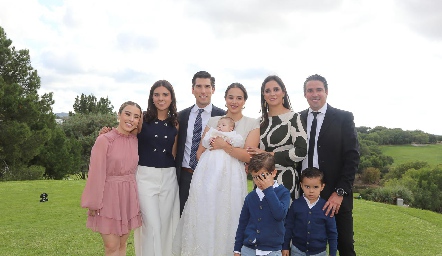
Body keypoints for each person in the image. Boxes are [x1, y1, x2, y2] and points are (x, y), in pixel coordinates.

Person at [173, 82, 260, 256]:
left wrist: (223, 147)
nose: (234, 101)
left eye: (239, 98)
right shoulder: (213, 121)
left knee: (229, 218)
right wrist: (208, 168)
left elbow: (249, 156)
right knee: (205, 216)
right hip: (208, 180)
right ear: (225, 99)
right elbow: (199, 152)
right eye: (230, 97)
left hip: (233, 181)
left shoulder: (252, 123)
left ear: (245, 101)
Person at [297, 74, 360, 256]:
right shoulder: (297, 119)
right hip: (305, 194)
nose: (314, 94)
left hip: (335, 195)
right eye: (310, 90)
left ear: (326, 92)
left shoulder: (343, 118)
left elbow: (352, 157)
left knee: (345, 246)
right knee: (305, 246)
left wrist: (340, 192)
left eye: (319, 90)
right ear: (305, 94)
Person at [81, 101, 143, 256]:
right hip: (108, 197)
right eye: (127, 114)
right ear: (119, 115)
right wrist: (94, 202)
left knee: (122, 245)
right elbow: (96, 172)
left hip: (128, 196)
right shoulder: (104, 140)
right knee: (111, 246)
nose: (131, 119)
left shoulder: (136, 142)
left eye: (136, 116)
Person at [134, 80, 180, 255]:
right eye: (157, 94)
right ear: (151, 97)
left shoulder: (175, 123)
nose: (161, 98)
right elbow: (124, 134)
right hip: (145, 177)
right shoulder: (142, 119)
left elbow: (173, 153)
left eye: (165, 94)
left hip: (169, 177)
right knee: (152, 226)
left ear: (171, 98)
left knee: (166, 225)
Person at [247, 75, 307, 200]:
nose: (272, 94)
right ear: (263, 95)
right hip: (260, 182)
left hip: (285, 181)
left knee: (283, 218)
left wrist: (268, 155)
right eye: (267, 91)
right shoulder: (259, 122)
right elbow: (251, 151)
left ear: (283, 92)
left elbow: (301, 151)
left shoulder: (294, 118)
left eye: (276, 89)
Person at [176, 71, 226, 215]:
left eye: (207, 86)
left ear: (213, 90)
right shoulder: (181, 116)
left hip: (211, 177)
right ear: (193, 90)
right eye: (198, 86)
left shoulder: (223, 116)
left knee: (207, 219)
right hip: (185, 177)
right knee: (182, 220)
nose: (203, 91)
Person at [234, 153, 290, 256]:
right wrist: (237, 249)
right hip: (248, 249)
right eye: (255, 177)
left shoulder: (283, 193)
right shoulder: (251, 197)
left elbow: (279, 215)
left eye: (263, 176)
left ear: (273, 173)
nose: (259, 181)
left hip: (272, 251)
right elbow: (242, 223)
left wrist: (269, 190)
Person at [282, 167, 338, 256]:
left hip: (319, 252)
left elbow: (332, 233)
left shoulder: (327, 207)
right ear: (301, 185)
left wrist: (332, 253)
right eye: (307, 186)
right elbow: (288, 227)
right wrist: (285, 247)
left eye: (315, 187)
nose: (311, 191)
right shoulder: (295, 205)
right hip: (297, 250)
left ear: (322, 187)